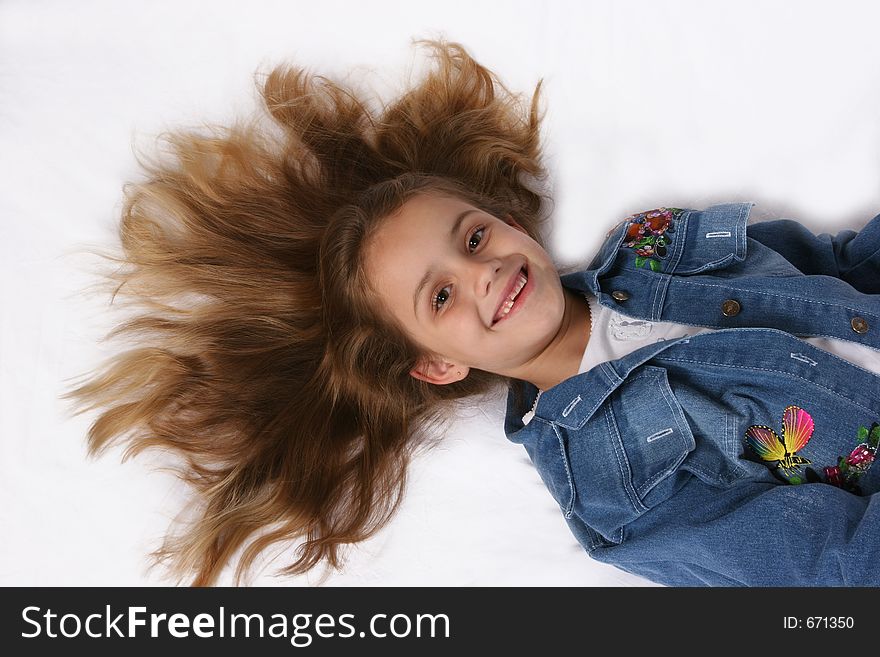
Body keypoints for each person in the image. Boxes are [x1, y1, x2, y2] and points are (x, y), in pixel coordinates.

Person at [63, 39, 880, 587]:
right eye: (441, 296)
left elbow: (837, 261)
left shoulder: (656, 244)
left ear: (509, 221)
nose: (484, 271)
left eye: (475, 234)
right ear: (436, 363)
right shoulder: (612, 486)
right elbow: (828, 568)